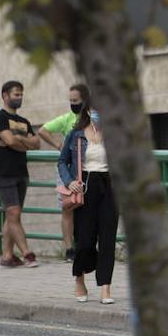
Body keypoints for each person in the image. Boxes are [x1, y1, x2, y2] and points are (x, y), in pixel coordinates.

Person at [58, 94, 119, 304]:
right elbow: (62, 161)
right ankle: (79, 279)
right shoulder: (76, 135)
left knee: (108, 238)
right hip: (86, 186)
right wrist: (69, 182)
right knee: (85, 239)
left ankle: (105, 288)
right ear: (87, 110)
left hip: (110, 185)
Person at [0, 80, 42, 268]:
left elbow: (36, 143)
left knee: (13, 216)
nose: (19, 98)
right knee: (13, 211)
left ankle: (7, 256)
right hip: (2, 173)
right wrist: (21, 141)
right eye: (15, 94)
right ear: (5, 96)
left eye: (21, 94)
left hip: (21, 173)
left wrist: (17, 139)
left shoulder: (23, 121)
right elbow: (9, 141)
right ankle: (27, 254)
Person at [39, 83, 88, 261]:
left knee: (87, 210)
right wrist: (59, 146)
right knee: (68, 208)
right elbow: (42, 130)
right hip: (68, 170)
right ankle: (69, 249)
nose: (73, 103)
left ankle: (85, 245)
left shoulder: (94, 118)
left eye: (76, 100)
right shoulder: (68, 119)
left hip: (88, 170)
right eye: (71, 100)